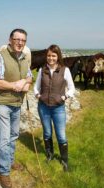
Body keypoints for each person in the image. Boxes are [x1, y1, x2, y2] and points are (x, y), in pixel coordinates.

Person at [0, 28, 33, 188]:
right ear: (10, 40)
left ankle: (9, 160)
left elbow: (29, 76)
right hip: (2, 103)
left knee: (14, 134)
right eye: (17, 39)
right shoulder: (0, 57)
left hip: (17, 103)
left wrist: (25, 82)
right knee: (5, 137)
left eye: (23, 40)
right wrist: (16, 85)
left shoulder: (24, 58)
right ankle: (4, 171)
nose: (20, 43)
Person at [34, 44, 75, 172]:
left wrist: (65, 97)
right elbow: (36, 87)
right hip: (43, 107)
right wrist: (37, 95)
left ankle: (64, 160)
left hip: (58, 108)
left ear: (58, 57)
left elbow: (72, 88)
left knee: (61, 135)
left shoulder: (65, 70)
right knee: (47, 133)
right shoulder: (42, 70)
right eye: (49, 55)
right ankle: (50, 155)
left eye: (53, 55)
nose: (51, 58)